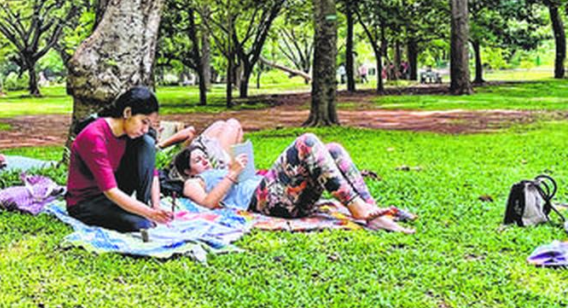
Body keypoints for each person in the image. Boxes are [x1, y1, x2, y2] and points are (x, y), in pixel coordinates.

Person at [173, 133, 413, 232]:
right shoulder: (193, 182)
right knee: (306, 141)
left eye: (205, 157)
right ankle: (358, 208)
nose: (205, 162)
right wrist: (232, 174)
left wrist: (236, 169)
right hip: (263, 202)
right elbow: (208, 203)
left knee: (334, 149)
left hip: (286, 195)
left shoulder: (222, 169)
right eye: (198, 160)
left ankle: (371, 209)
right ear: (187, 170)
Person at [65, 86, 173, 232]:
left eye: (149, 124)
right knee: (141, 224)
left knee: (147, 143)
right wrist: (149, 214)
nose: (145, 129)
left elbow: (151, 172)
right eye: (144, 122)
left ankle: (143, 206)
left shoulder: (130, 135)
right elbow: (111, 191)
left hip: (114, 191)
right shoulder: (95, 137)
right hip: (86, 201)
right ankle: (142, 213)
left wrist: (156, 208)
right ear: (127, 112)